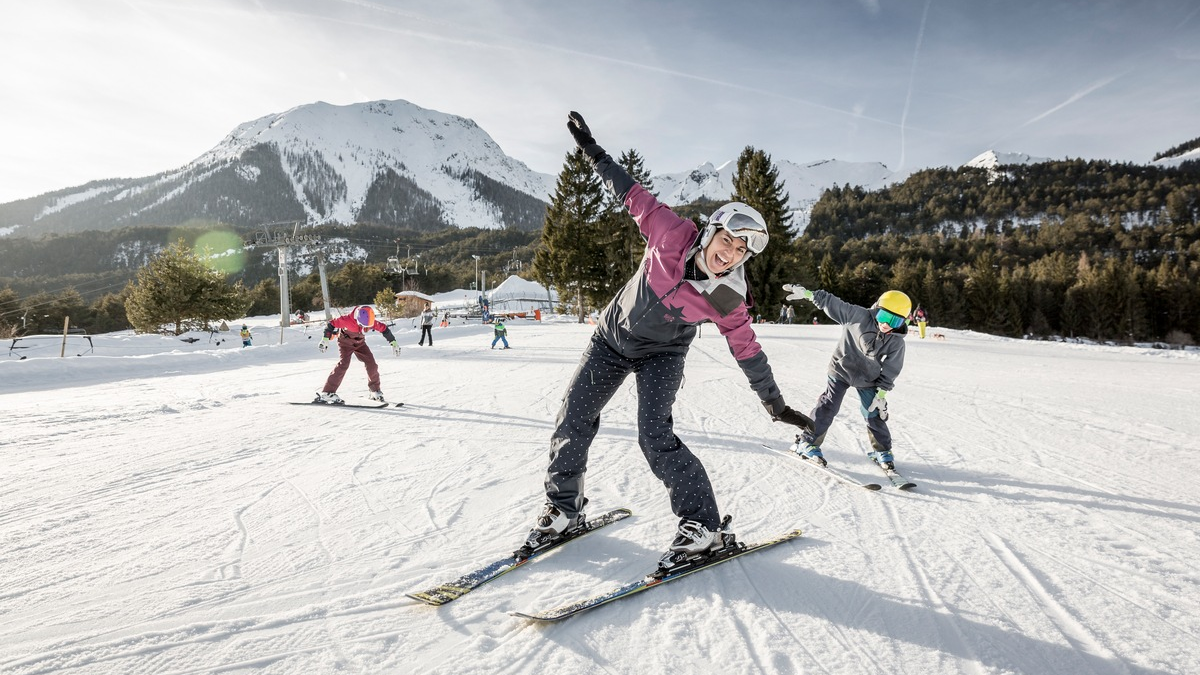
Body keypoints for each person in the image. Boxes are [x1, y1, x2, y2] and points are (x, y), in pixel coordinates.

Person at [521, 111, 814, 574]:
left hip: (663, 354)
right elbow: (629, 192)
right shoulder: (670, 232)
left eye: (742, 250)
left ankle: (703, 527)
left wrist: (775, 405)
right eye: (728, 240)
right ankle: (563, 509)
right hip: (611, 339)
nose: (731, 253)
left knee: (654, 436)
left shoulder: (728, 295)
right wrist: (593, 150)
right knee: (574, 416)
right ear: (712, 230)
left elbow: (747, 349)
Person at [781, 284, 910, 472]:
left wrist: (881, 394)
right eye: (884, 316)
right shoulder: (857, 316)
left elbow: (892, 368)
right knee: (829, 405)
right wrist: (809, 294)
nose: (886, 324)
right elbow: (831, 302)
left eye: (895, 321)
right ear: (877, 309)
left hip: (868, 377)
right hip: (841, 369)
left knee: (872, 411)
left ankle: (882, 451)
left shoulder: (896, 341)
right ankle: (807, 442)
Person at [315, 305, 400, 404]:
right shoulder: (347, 320)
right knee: (344, 364)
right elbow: (331, 325)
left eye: (367, 327)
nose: (364, 328)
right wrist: (325, 339)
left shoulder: (369, 319)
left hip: (360, 343)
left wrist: (393, 342)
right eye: (363, 326)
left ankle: (374, 391)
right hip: (345, 343)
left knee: (371, 364)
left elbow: (384, 329)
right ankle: (327, 393)